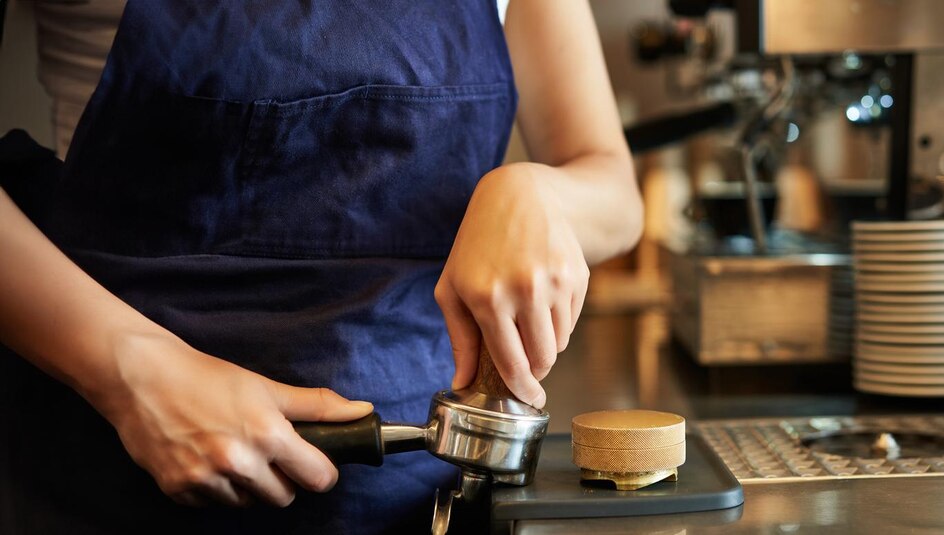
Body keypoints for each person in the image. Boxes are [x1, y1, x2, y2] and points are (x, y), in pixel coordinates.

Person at [0, 1, 642, 532]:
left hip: (429, 500)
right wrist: (129, 375)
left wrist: (538, 192)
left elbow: (611, 184)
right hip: (110, 477)